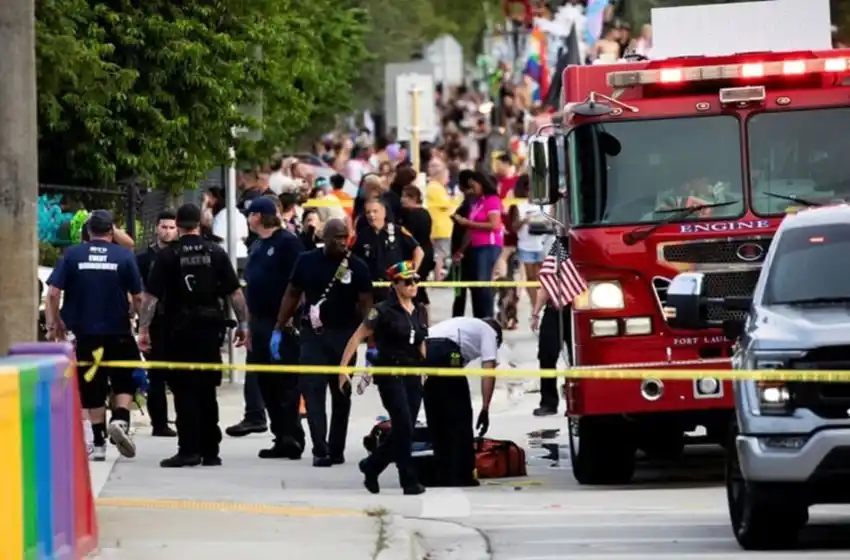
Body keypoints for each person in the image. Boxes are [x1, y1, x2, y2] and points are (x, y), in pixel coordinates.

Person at [139, 203, 248, 468]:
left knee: (184, 389)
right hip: (211, 330)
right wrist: (244, 325)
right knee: (207, 389)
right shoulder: (216, 253)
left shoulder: (167, 256)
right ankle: (211, 450)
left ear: (177, 223)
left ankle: (189, 449)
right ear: (200, 223)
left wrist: (143, 329)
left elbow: (150, 298)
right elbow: (235, 294)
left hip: (179, 331)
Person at [45, 210, 144, 462]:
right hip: (118, 331)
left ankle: (98, 443)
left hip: (85, 335)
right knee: (125, 377)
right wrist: (141, 320)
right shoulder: (123, 256)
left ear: (88, 231)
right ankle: (120, 419)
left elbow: (53, 293)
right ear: (112, 231)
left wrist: (52, 324)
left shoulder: (72, 255)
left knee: (92, 384)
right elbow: (139, 296)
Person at [273, 218, 373, 467]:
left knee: (341, 394)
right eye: (336, 237)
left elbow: (366, 305)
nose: (341, 242)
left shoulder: (357, 266)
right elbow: (292, 293)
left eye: (345, 237)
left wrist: (371, 343)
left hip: (346, 337)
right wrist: (278, 326)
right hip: (313, 337)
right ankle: (321, 449)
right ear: (324, 238)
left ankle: (336, 448)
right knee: (312, 391)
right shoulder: (306, 261)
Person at [338, 261, 427, 495]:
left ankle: (372, 465)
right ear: (395, 284)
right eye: (408, 282)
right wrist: (344, 368)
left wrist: (426, 370)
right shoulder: (382, 310)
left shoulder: (419, 309)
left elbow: (421, 341)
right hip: (390, 373)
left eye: (416, 280)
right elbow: (357, 337)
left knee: (405, 428)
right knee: (404, 425)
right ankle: (408, 480)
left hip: (413, 374)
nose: (413, 285)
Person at [241, 197, 307, 459]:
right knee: (265, 380)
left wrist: (289, 318)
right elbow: (251, 287)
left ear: (259, 216)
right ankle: (279, 435)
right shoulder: (257, 245)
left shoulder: (288, 243)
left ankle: (293, 436)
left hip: (282, 321)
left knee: (285, 382)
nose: (248, 219)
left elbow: (298, 285)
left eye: (250, 215)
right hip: (259, 320)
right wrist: (246, 325)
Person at [424, 316, 500, 487]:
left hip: (426, 348)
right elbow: (489, 370)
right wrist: (485, 409)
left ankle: (441, 472)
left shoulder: (464, 327)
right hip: (446, 349)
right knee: (461, 415)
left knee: (437, 413)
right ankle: (463, 474)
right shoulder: (488, 331)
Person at [135, 209, 179, 438]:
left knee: (180, 376)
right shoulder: (144, 259)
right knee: (157, 377)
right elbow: (138, 294)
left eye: (172, 227)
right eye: (164, 227)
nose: (168, 231)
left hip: (180, 323)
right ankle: (159, 424)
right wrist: (143, 325)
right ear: (156, 228)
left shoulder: (182, 254)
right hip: (156, 323)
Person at [351, 198, 424, 303]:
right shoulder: (363, 235)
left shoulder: (397, 231)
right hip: (371, 289)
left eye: (375, 211)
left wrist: (410, 274)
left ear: (384, 212)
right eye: (368, 212)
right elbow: (352, 258)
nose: (371, 215)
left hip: (393, 288)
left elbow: (419, 251)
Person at [451, 171, 503, 318]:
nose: (472, 189)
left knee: (482, 282)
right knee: (476, 284)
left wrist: (468, 222)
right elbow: (470, 230)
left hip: (488, 245)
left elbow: (494, 224)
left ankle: (487, 317)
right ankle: (479, 316)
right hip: (475, 245)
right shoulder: (477, 202)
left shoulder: (492, 199)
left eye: (474, 185)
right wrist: (461, 250)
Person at [531, 288, 571, 416]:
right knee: (546, 354)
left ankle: (577, 401)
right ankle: (548, 403)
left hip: (578, 307)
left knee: (579, 357)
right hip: (553, 308)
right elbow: (545, 287)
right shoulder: (552, 267)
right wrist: (536, 313)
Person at [400, 185, 434, 321]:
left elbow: (409, 237)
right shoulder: (425, 213)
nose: (402, 199)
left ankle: (422, 319)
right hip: (427, 253)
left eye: (405, 196)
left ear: (413, 198)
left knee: (416, 289)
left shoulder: (413, 215)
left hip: (418, 256)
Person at [450, 175, 475, 317]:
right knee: (460, 289)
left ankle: (457, 316)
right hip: (462, 248)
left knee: (461, 288)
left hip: (464, 250)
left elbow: (469, 228)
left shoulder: (469, 203)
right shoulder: (468, 201)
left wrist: (460, 251)